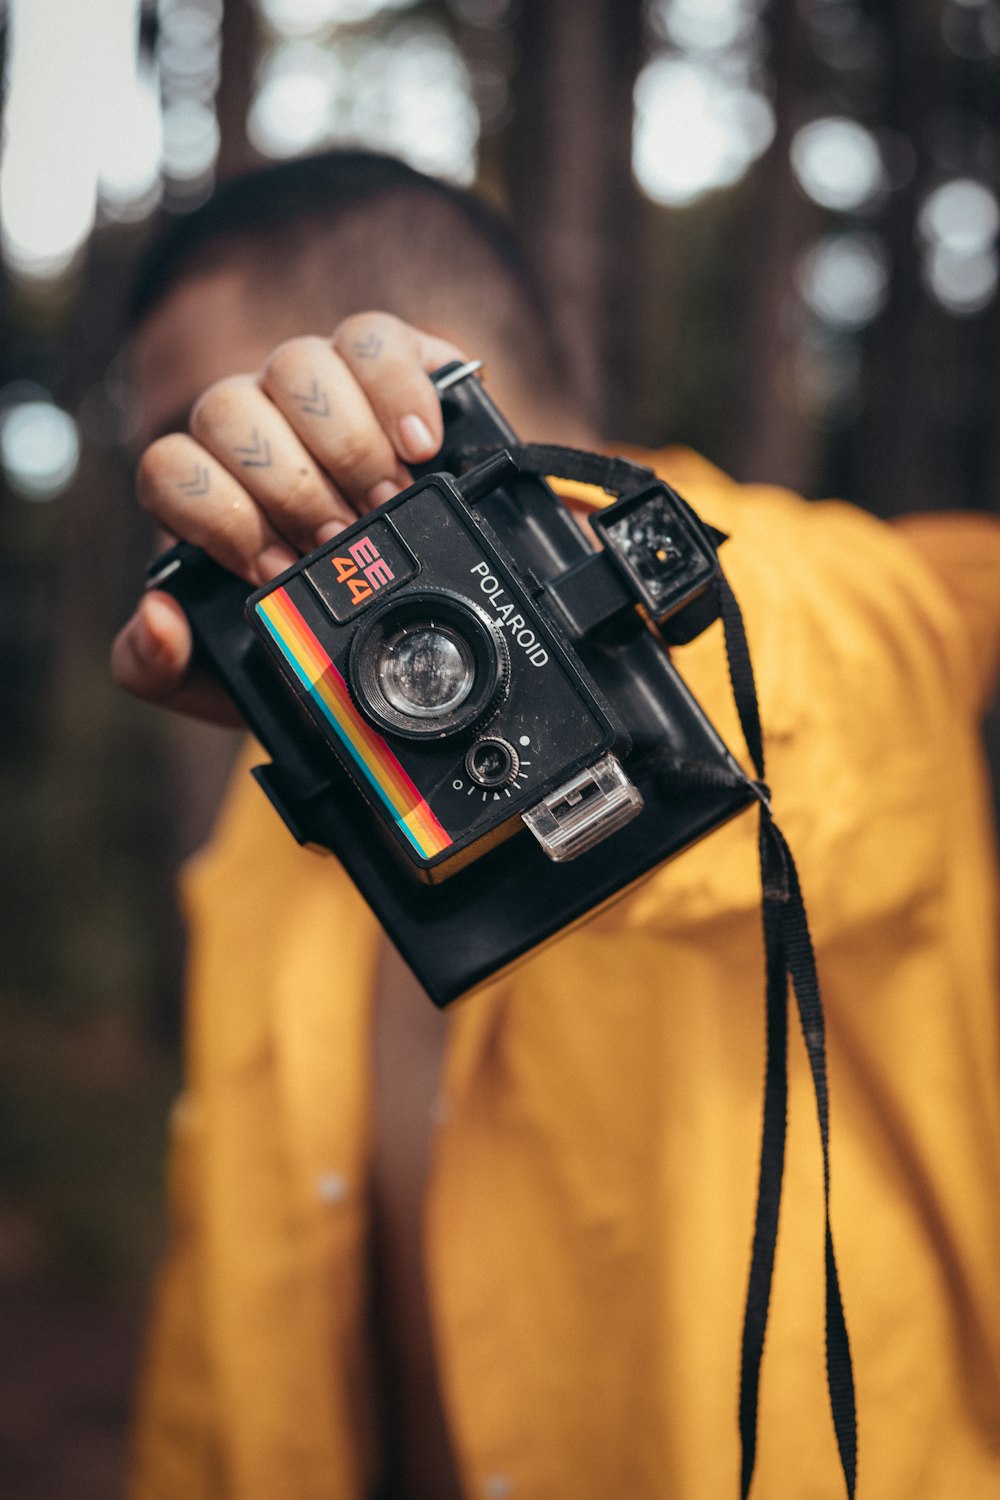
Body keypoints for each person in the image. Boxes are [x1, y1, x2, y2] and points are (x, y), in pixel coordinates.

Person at [113, 150, 1000, 1500]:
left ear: (391, 390)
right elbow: (220, 1324)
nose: (187, 503)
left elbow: (800, 703)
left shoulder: (851, 603)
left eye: (214, 422)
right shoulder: (273, 823)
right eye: (166, 462)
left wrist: (523, 600)